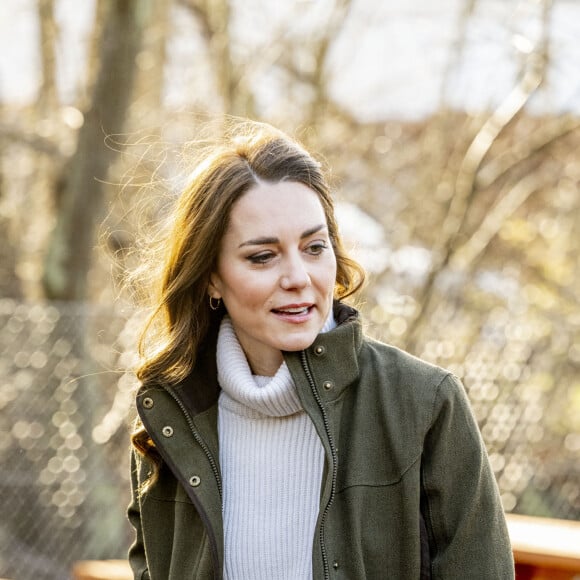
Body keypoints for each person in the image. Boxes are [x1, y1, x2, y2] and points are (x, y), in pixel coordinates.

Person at [127, 120, 514, 579]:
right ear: (211, 275)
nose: (298, 277)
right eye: (262, 256)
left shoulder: (425, 402)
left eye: (314, 247)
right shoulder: (171, 417)